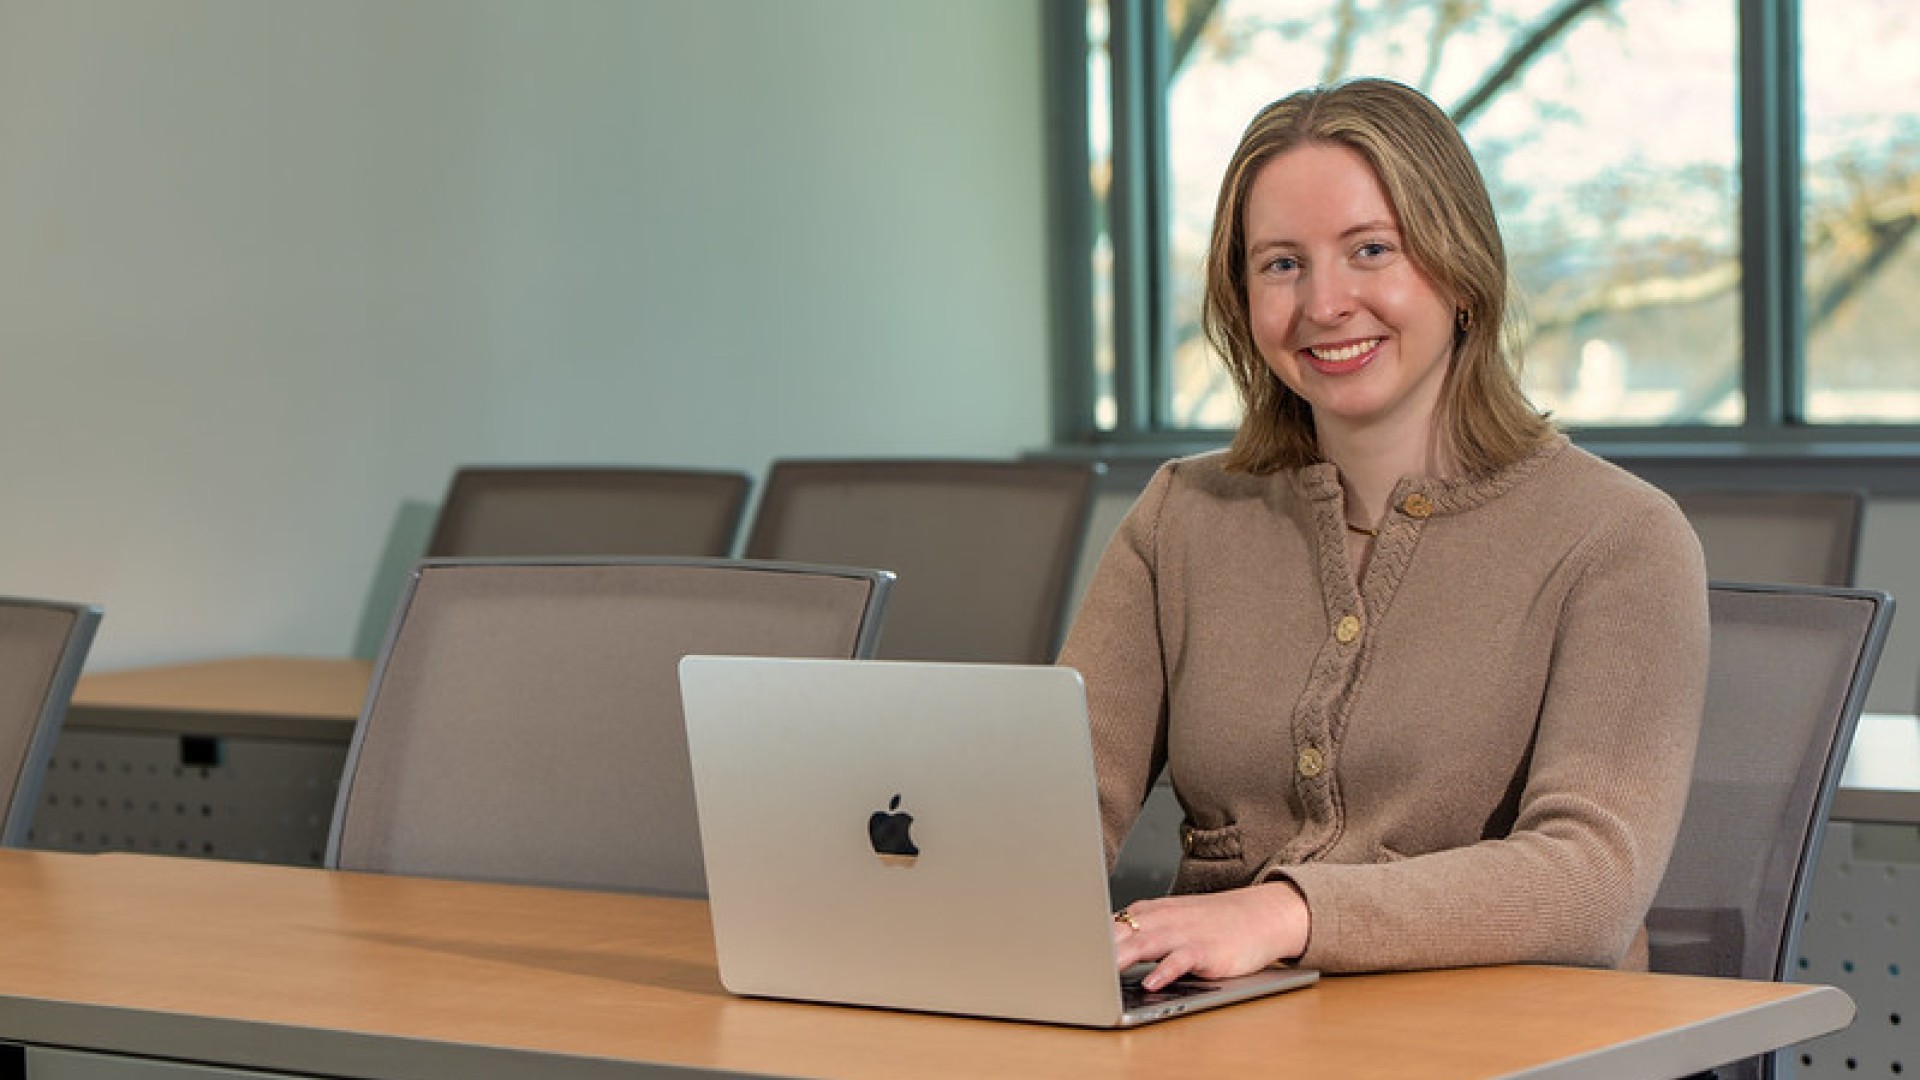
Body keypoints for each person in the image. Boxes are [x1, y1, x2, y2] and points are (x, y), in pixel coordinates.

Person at [1059, 77, 1709, 990]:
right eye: (1281, 264)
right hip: (1221, 1035)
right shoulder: (1182, 517)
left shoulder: (1619, 538)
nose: (1325, 303)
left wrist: (1282, 911)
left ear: (1462, 271)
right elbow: (1055, 809)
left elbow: (1590, 883)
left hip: (1510, 1040)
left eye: (1371, 250)